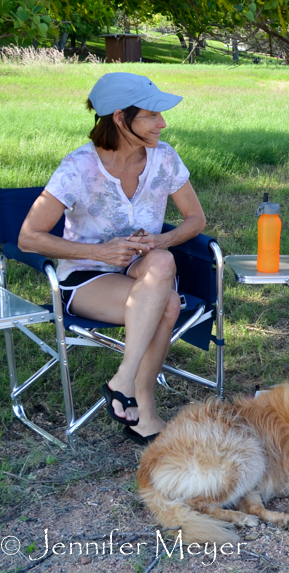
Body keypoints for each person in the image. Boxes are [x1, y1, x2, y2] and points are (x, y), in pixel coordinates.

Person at [18, 73, 206, 445]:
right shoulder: (78, 168)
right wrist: (100, 252)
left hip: (141, 269)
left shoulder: (164, 158)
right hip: (86, 277)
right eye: (151, 116)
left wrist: (160, 239)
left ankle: (124, 380)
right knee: (167, 303)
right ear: (120, 118)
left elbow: (196, 219)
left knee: (164, 261)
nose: (162, 123)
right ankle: (145, 408)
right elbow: (28, 238)